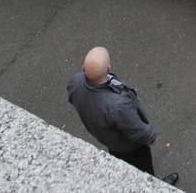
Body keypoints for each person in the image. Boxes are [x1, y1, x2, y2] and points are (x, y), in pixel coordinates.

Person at [67, 47, 177, 182]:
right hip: (130, 148)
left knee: (124, 165)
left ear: (83, 68)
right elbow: (137, 130)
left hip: (110, 141)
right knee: (144, 171)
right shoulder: (117, 106)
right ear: (108, 69)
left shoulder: (76, 82)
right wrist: (151, 136)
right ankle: (153, 185)